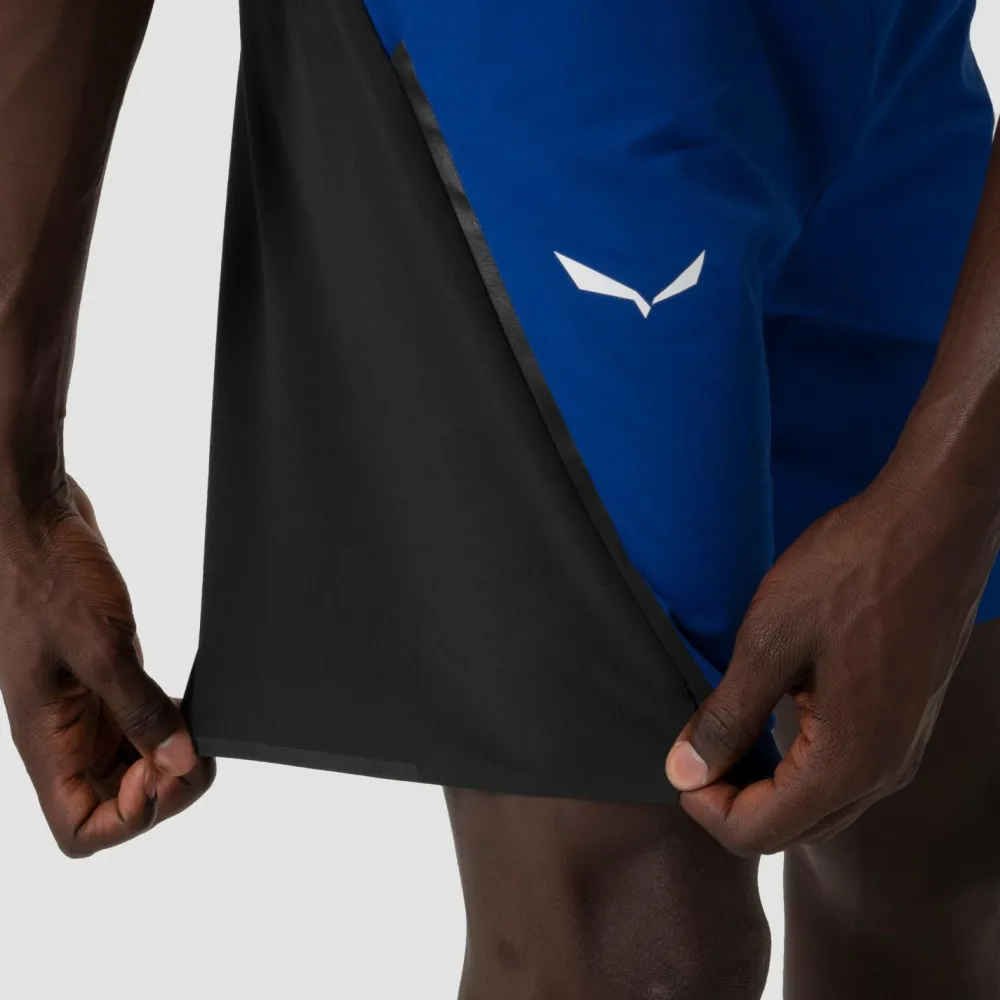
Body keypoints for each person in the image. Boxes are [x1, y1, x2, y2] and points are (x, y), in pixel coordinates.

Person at [2, 1, 1000, 997]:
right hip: (545, 46)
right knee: (635, 942)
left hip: (890, 42)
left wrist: (952, 497)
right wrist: (13, 482)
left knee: (952, 855)